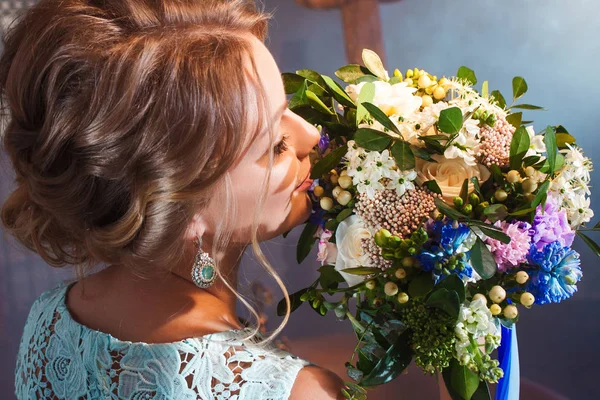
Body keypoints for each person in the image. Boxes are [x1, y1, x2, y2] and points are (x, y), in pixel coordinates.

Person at [0, 0, 347, 398]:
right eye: (276, 144)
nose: (309, 135)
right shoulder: (302, 393)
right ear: (182, 204)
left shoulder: (49, 325)